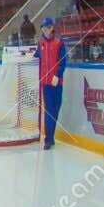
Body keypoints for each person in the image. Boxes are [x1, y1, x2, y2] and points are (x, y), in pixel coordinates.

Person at [36, 16, 67, 151]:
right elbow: (37, 55)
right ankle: (47, 139)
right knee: (49, 110)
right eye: (43, 28)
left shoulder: (59, 42)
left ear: (52, 28)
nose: (45, 30)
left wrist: (58, 75)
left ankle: (51, 137)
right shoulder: (41, 42)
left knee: (55, 109)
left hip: (57, 83)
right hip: (46, 84)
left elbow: (63, 62)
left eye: (47, 28)